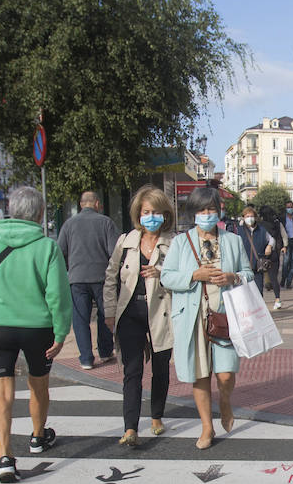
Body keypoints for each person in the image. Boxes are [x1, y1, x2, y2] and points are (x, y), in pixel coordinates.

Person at [0, 185, 69, 483]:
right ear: (39, 214)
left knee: (1, 394)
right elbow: (58, 295)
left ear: (11, 210)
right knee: (39, 384)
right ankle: (38, 437)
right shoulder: (47, 247)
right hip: (37, 328)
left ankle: (4, 458)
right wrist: (61, 331)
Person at [159, 186, 254, 450]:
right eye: (201, 210)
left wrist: (233, 277)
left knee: (225, 375)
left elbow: (248, 272)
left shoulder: (233, 240)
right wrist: (193, 276)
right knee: (199, 375)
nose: (206, 214)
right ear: (193, 213)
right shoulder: (180, 242)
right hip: (192, 317)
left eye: (211, 209)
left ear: (219, 211)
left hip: (224, 316)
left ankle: (224, 400)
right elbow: (166, 277)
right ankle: (207, 427)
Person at [103, 185, 175, 447]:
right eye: (146, 211)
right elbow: (111, 278)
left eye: (156, 211)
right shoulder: (126, 241)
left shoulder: (175, 242)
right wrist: (109, 312)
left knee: (160, 369)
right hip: (129, 314)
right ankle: (130, 427)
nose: (151, 216)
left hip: (161, 314)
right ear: (138, 213)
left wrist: (163, 275)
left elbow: (184, 279)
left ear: (165, 215)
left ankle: (156, 415)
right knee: (131, 371)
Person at [56, 190, 120, 369]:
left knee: (80, 318)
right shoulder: (106, 222)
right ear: (97, 204)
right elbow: (114, 251)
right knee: (105, 314)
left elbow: (61, 252)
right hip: (102, 278)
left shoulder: (68, 225)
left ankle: (85, 359)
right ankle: (106, 352)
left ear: (81, 205)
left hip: (77, 279)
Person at [234, 204, 276, 300]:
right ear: (243, 217)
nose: (250, 218)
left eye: (252, 216)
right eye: (247, 216)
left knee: (258, 292)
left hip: (257, 266)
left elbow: (271, 239)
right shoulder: (238, 230)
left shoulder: (261, 230)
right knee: (243, 293)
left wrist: (269, 246)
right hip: (242, 267)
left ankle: (258, 312)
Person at [258, 204, 285, 310]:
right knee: (274, 277)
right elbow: (282, 235)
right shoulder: (276, 224)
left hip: (262, 254)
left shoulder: (260, 225)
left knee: (259, 277)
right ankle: (277, 299)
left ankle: (260, 301)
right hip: (274, 253)